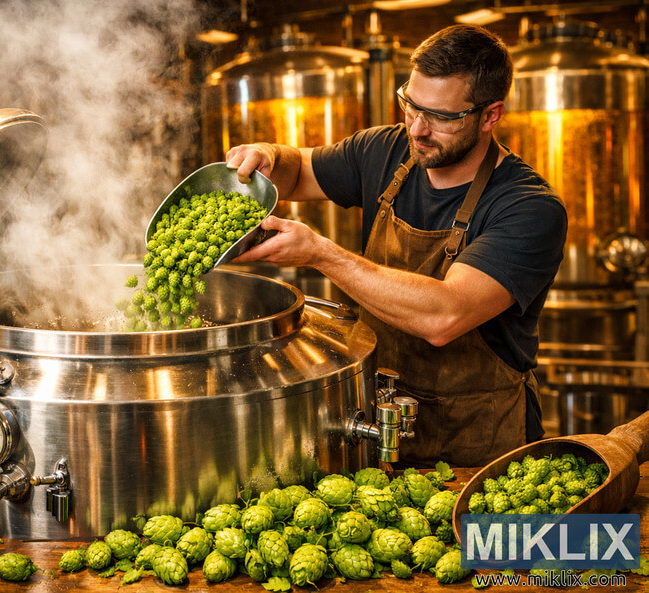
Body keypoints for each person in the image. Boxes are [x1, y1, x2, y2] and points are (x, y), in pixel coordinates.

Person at [224, 24, 567, 468]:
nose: (418, 129)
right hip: (379, 428)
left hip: (478, 452)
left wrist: (321, 253)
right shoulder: (384, 151)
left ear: (490, 115)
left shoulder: (528, 207)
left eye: (442, 117)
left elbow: (443, 315)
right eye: (410, 105)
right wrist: (269, 154)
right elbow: (299, 170)